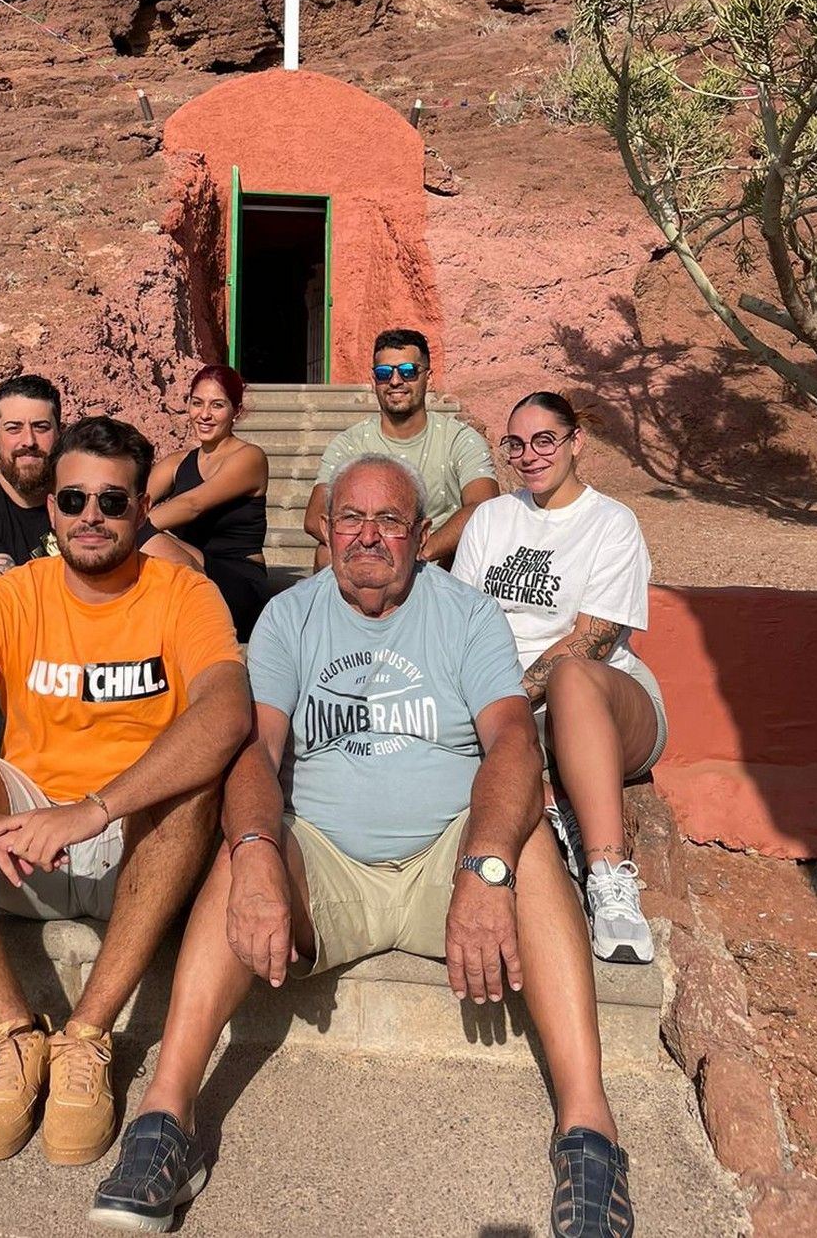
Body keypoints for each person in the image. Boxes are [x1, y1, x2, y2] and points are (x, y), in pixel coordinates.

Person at [89, 454, 634, 1238]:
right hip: (328, 857)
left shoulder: (468, 613)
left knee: (530, 849)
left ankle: (589, 1130)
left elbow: (514, 742)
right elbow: (255, 749)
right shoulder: (290, 616)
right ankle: (166, 1117)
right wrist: (256, 849)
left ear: (422, 533)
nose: (367, 535)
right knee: (244, 853)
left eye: (388, 520)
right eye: (350, 517)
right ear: (327, 527)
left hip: (446, 854)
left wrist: (485, 865)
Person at [0, 416, 252, 1173]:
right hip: (23, 842)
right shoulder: (16, 595)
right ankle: (14, 1035)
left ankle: (86, 1037)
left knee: (192, 778)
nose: (91, 516)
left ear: (143, 508)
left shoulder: (184, 593)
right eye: (74, 499)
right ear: (52, 508)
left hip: (138, 846)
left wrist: (96, 807)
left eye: (113, 501)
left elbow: (226, 711)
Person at [453, 391, 667, 965]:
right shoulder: (491, 519)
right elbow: (461, 620)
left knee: (571, 674)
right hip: (508, 705)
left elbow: (593, 639)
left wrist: (503, 700)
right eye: (516, 444)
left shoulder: (611, 524)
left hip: (599, 705)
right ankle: (551, 800)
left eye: (545, 440)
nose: (529, 455)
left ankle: (609, 879)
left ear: (577, 442)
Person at [0, 374, 198, 752]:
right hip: (16, 675)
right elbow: (4, 603)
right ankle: (16, 760)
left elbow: (186, 574)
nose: (28, 441)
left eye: (41, 427)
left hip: (103, 658)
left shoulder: (91, 501)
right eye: (13, 428)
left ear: (59, 433)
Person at [303, 327, 498, 571]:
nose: (395, 381)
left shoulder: (458, 439)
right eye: (384, 373)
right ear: (374, 381)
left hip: (435, 560)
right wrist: (381, 547)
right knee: (325, 554)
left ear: (428, 377)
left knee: (464, 546)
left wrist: (421, 551)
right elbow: (315, 517)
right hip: (371, 553)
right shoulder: (351, 443)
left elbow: (484, 506)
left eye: (408, 371)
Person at [145, 365, 271, 640]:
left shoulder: (250, 458)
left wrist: (126, 527)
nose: (204, 414)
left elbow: (193, 504)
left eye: (217, 405)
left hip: (240, 583)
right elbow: (138, 501)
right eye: (197, 403)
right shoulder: (176, 463)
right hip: (188, 572)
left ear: (236, 411)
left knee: (147, 540)